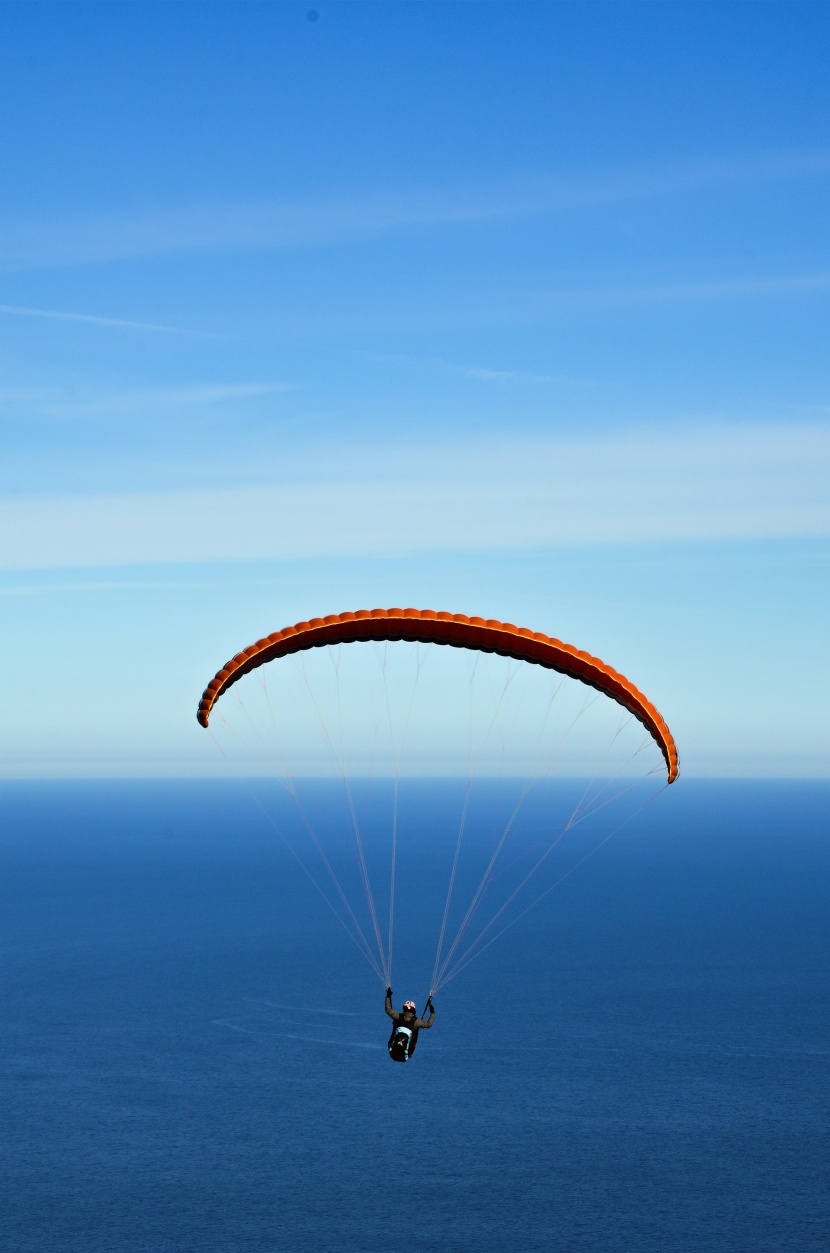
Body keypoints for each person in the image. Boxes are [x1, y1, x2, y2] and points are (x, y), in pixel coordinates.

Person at [385, 987, 434, 1062]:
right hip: (405, 1056)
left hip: (393, 1052)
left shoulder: (398, 1017)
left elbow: (388, 1010)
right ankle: (408, 1053)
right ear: (414, 1010)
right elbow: (428, 1024)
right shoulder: (417, 1022)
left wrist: (388, 996)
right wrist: (432, 1013)